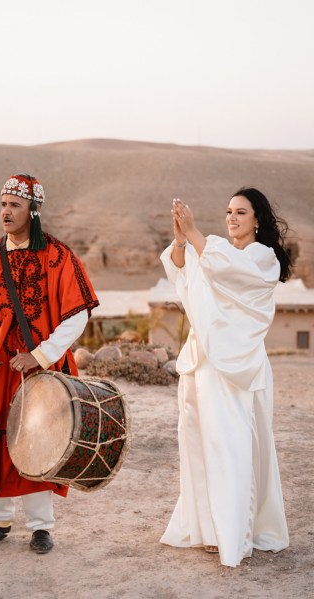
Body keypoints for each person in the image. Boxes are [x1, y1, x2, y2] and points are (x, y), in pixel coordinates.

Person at [0, 173, 99, 553]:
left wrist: (39, 355)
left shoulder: (58, 256)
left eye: (15, 205)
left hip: (41, 370)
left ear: (33, 211)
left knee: (40, 440)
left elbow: (77, 315)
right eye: (3, 204)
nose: (6, 211)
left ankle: (40, 527)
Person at [159, 187, 291, 567]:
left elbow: (232, 272)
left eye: (241, 212)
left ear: (257, 220)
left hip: (237, 365)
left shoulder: (261, 258)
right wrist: (182, 240)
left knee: (230, 445)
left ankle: (233, 531)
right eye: (229, 211)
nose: (232, 218)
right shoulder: (210, 250)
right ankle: (207, 529)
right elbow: (183, 278)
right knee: (200, 441)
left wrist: (197, 234)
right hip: (202, 360)